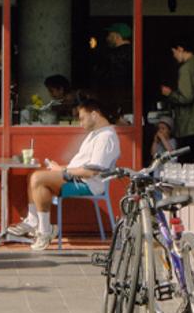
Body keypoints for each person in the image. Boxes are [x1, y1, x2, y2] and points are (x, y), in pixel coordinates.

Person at [22, 100, 122, 246]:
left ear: (94, 115)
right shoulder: (95, 134)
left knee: (38, 179)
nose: (80, 123)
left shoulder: (106, 137)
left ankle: (44, 231)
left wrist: (62, 170)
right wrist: (59, 168)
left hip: (89, 184)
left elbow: (91, 171)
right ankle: (35, 222)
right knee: (33, 175)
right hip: (77, 178)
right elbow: (81, 166)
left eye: (82, 118)